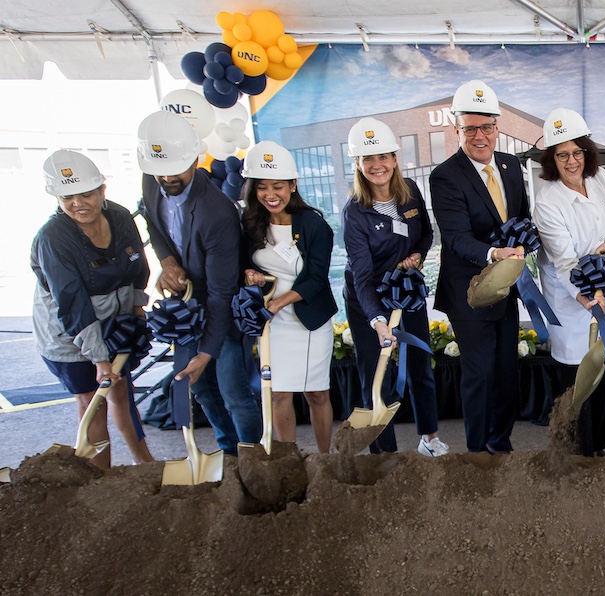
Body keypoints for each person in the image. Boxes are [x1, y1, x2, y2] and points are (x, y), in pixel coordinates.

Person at [137, 110, 258, 455]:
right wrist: (167, 260)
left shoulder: (216, 213)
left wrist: (207, 352)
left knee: (233, 392)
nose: (167, 177)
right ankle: (228, 452)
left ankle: (251, 457)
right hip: (187, 308)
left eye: (175, 167)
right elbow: (154, 226)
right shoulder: (152, 178)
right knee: (201, 389)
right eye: (160, 170)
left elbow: (221, 293)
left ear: (193, 157)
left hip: (221, 310)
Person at [31, 150, 153, 469]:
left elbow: (137, 265)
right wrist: (99, 359)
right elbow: (72, 302)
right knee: (93, 403)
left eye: (86, 194)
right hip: (68, 334)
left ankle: (147, 465)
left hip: (113, 322)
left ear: (102, 190)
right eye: (67, 197)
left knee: (122, 393)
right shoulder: (53, 239)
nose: (78, 203)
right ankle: (101, 483)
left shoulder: (122, 217)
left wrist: (137, 309)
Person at [430, 80, 531, 454]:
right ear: (457, 129)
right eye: (470, 128)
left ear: (497, 127)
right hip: (469, 293)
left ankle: (499, 444)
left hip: (505, 290)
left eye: (486, 127)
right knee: (479, 374)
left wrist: (525, 241)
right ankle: (476, 453)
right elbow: (455, 237)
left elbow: (520, 218)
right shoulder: (445, 175)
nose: (479, 136)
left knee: (506, 373)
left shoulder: (509, 165)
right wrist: (494, 254)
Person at [342, 117, 446, 456]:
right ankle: (382, 455)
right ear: (357, 164)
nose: (377, 165)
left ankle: (429, 439)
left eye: (383, 157)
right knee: (377, 376)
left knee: (419, 366)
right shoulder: (354, 213)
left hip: (406, 293)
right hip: (367, 299)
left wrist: (417, 253)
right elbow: (361, 275)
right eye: (368, 159)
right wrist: (376, 319)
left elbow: (427, 233)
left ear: (395, 159)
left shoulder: (411, 192)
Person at [532, 108, 605, 457]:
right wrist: (588, 295)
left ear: (587, 152)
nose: (571, 161)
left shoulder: (601, 177)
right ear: (551, 159)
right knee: (578, 383)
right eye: (562, 155)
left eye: (577, 152)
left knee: (602, 375)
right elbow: (564, 262)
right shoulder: (547, 202)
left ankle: (599, 449)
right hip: (576, 305)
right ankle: (577, 455)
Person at [239, 141, 337, 453]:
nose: (271, 195)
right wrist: (248, 274)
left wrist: (280, 302)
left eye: (278, 187)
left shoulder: (314, 224)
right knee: (278, 393)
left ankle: (324, 459)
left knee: (316, 394)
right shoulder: (250, 223)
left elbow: (317, 278)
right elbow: (241, 262)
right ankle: (289, 461)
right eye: (263, 187)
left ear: (292, 186)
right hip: (272, 325)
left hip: (308, 320)